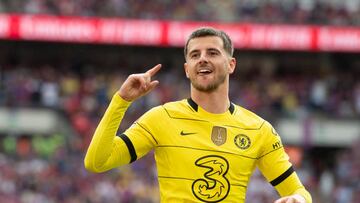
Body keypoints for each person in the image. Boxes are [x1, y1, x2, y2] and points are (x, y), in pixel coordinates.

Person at [84, 27, 312, 203]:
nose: (202, 58)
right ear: (187, 69)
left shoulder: (259, 130)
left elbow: (298, 192)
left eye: (212, 52)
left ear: (231, 64)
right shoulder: (161, 118)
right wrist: (121, 101)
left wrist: (297, 199)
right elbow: (97, 162)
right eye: (195, 55)